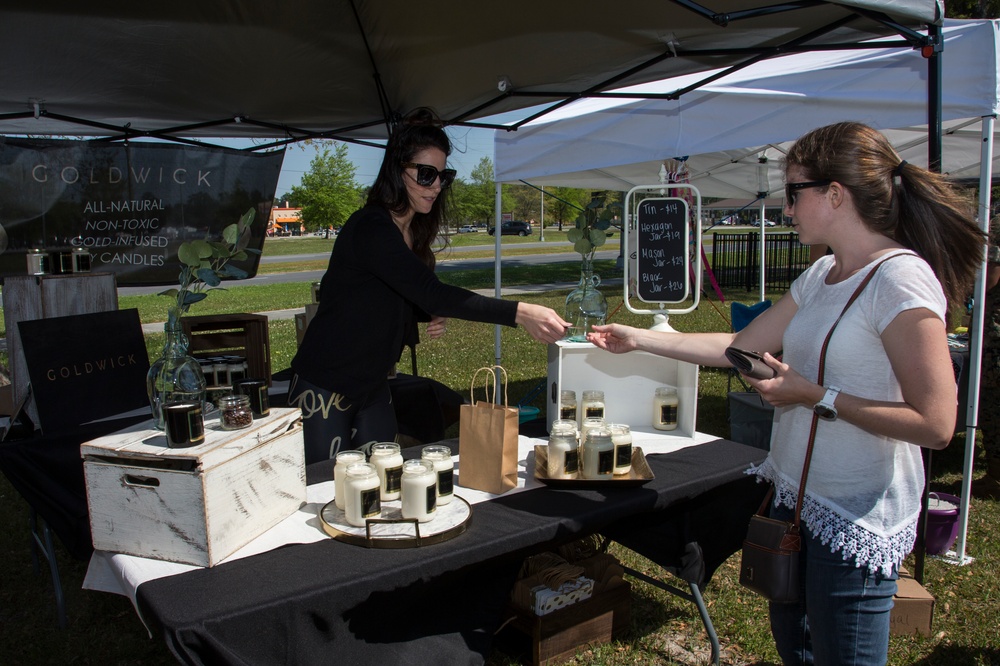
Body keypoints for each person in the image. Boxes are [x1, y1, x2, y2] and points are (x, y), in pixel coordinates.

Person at [588, 122, 985, 665]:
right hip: (795, 505)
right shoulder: (822, 273)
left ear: (835, 194)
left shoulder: (901, 280)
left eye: (794, 193)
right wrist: (643, 340)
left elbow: (936, 423)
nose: (787, 208)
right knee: (796, 651)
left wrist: (814, 395)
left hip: (856, 518)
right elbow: (740, 345)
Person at [288, 108, 569, 464]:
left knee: (382, 484)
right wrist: (520, 312)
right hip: (325, 382)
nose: (436, 186)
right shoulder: (372, 227)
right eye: (425, 175)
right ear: (397, 170)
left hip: (372, 384)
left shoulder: (409, 232)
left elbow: (384, 296)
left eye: (442, 176)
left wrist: (423, 312)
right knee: (324, 490)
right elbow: (429, 290)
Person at [972, 215, 1000, 499]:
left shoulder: (997, 223)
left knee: (993, 401)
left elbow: (990, 276)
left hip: (994, 328)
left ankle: (996, 477)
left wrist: (969, 287)